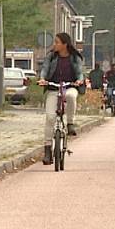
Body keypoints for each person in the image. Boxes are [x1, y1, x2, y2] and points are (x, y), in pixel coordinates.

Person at [38, 32, 85, 164]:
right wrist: (42, 79)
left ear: (65, 44)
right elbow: (45, 70)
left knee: (70, 96)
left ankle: (70, 123)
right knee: (50, 117)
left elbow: (80, 73)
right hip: (54, 88)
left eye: (57, 42)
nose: (55, 44)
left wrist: (79, 81)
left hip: (70, 86)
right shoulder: (51, 57)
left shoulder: (75, 57)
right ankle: (48, 150)